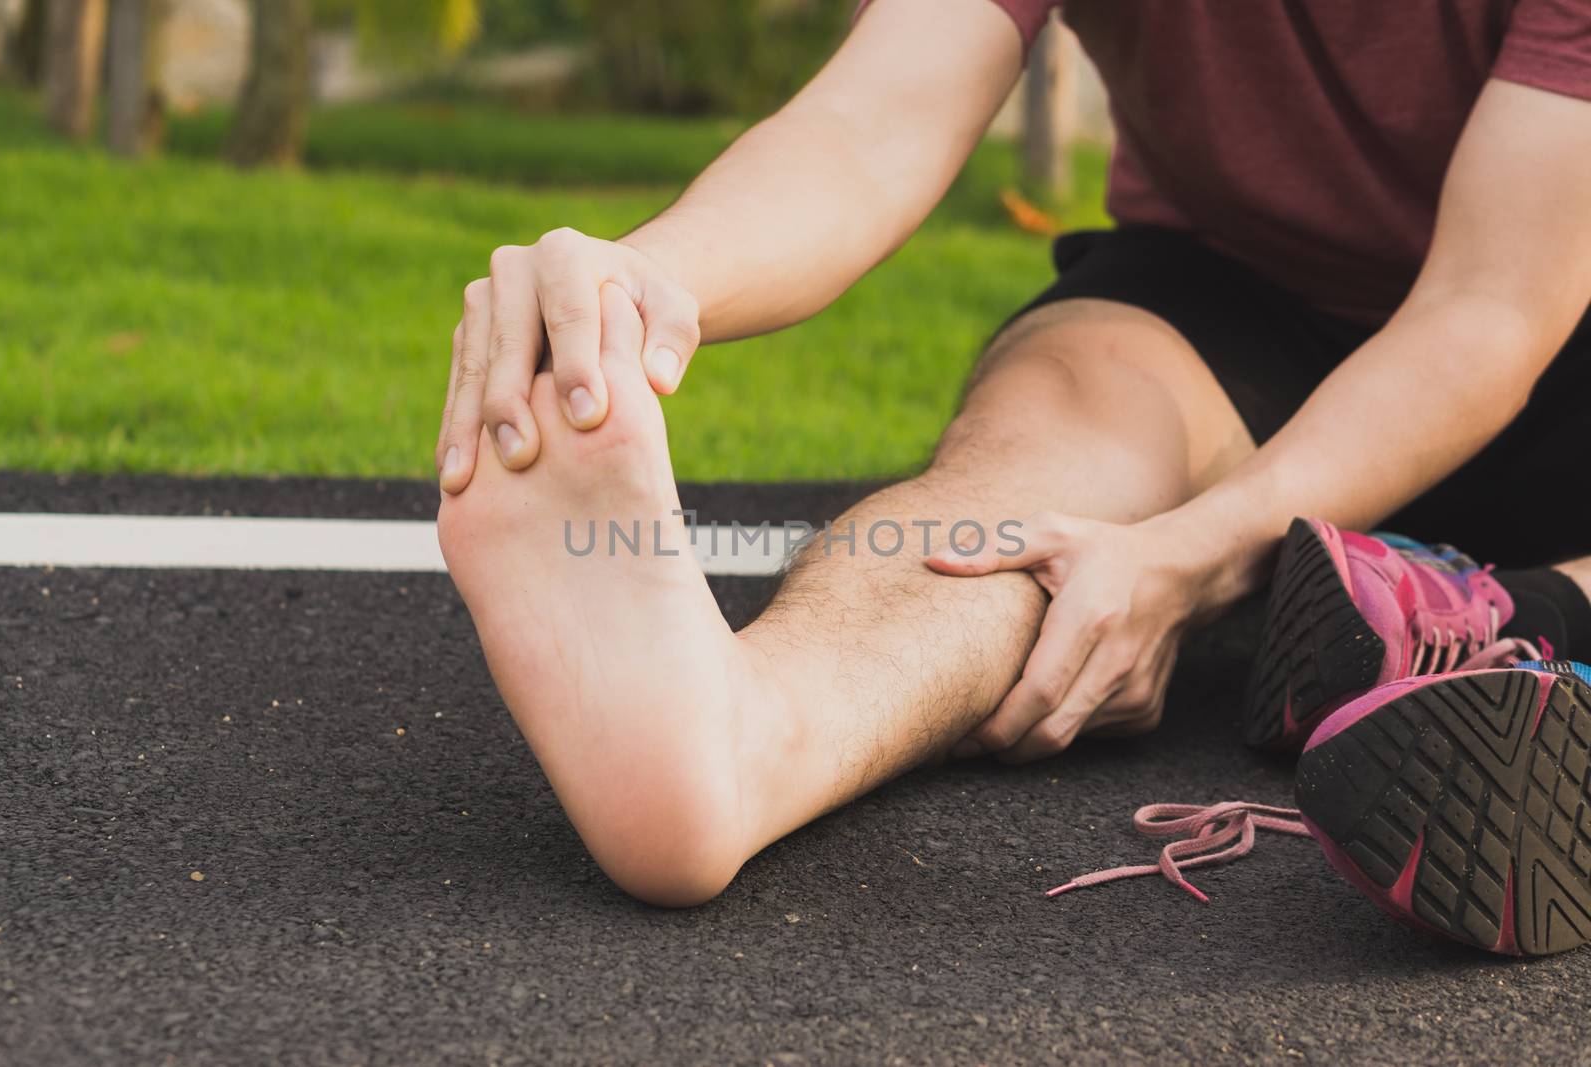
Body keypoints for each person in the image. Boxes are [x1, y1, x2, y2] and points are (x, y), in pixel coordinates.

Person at [431, 0, 1591, 949]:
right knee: (1035, 467)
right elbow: (865, 131)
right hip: (1233, 284)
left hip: (1550, 309)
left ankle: (1532, 616)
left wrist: (1200, 547)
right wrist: (644, 284)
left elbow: (1487, 308)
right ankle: (745, 735)